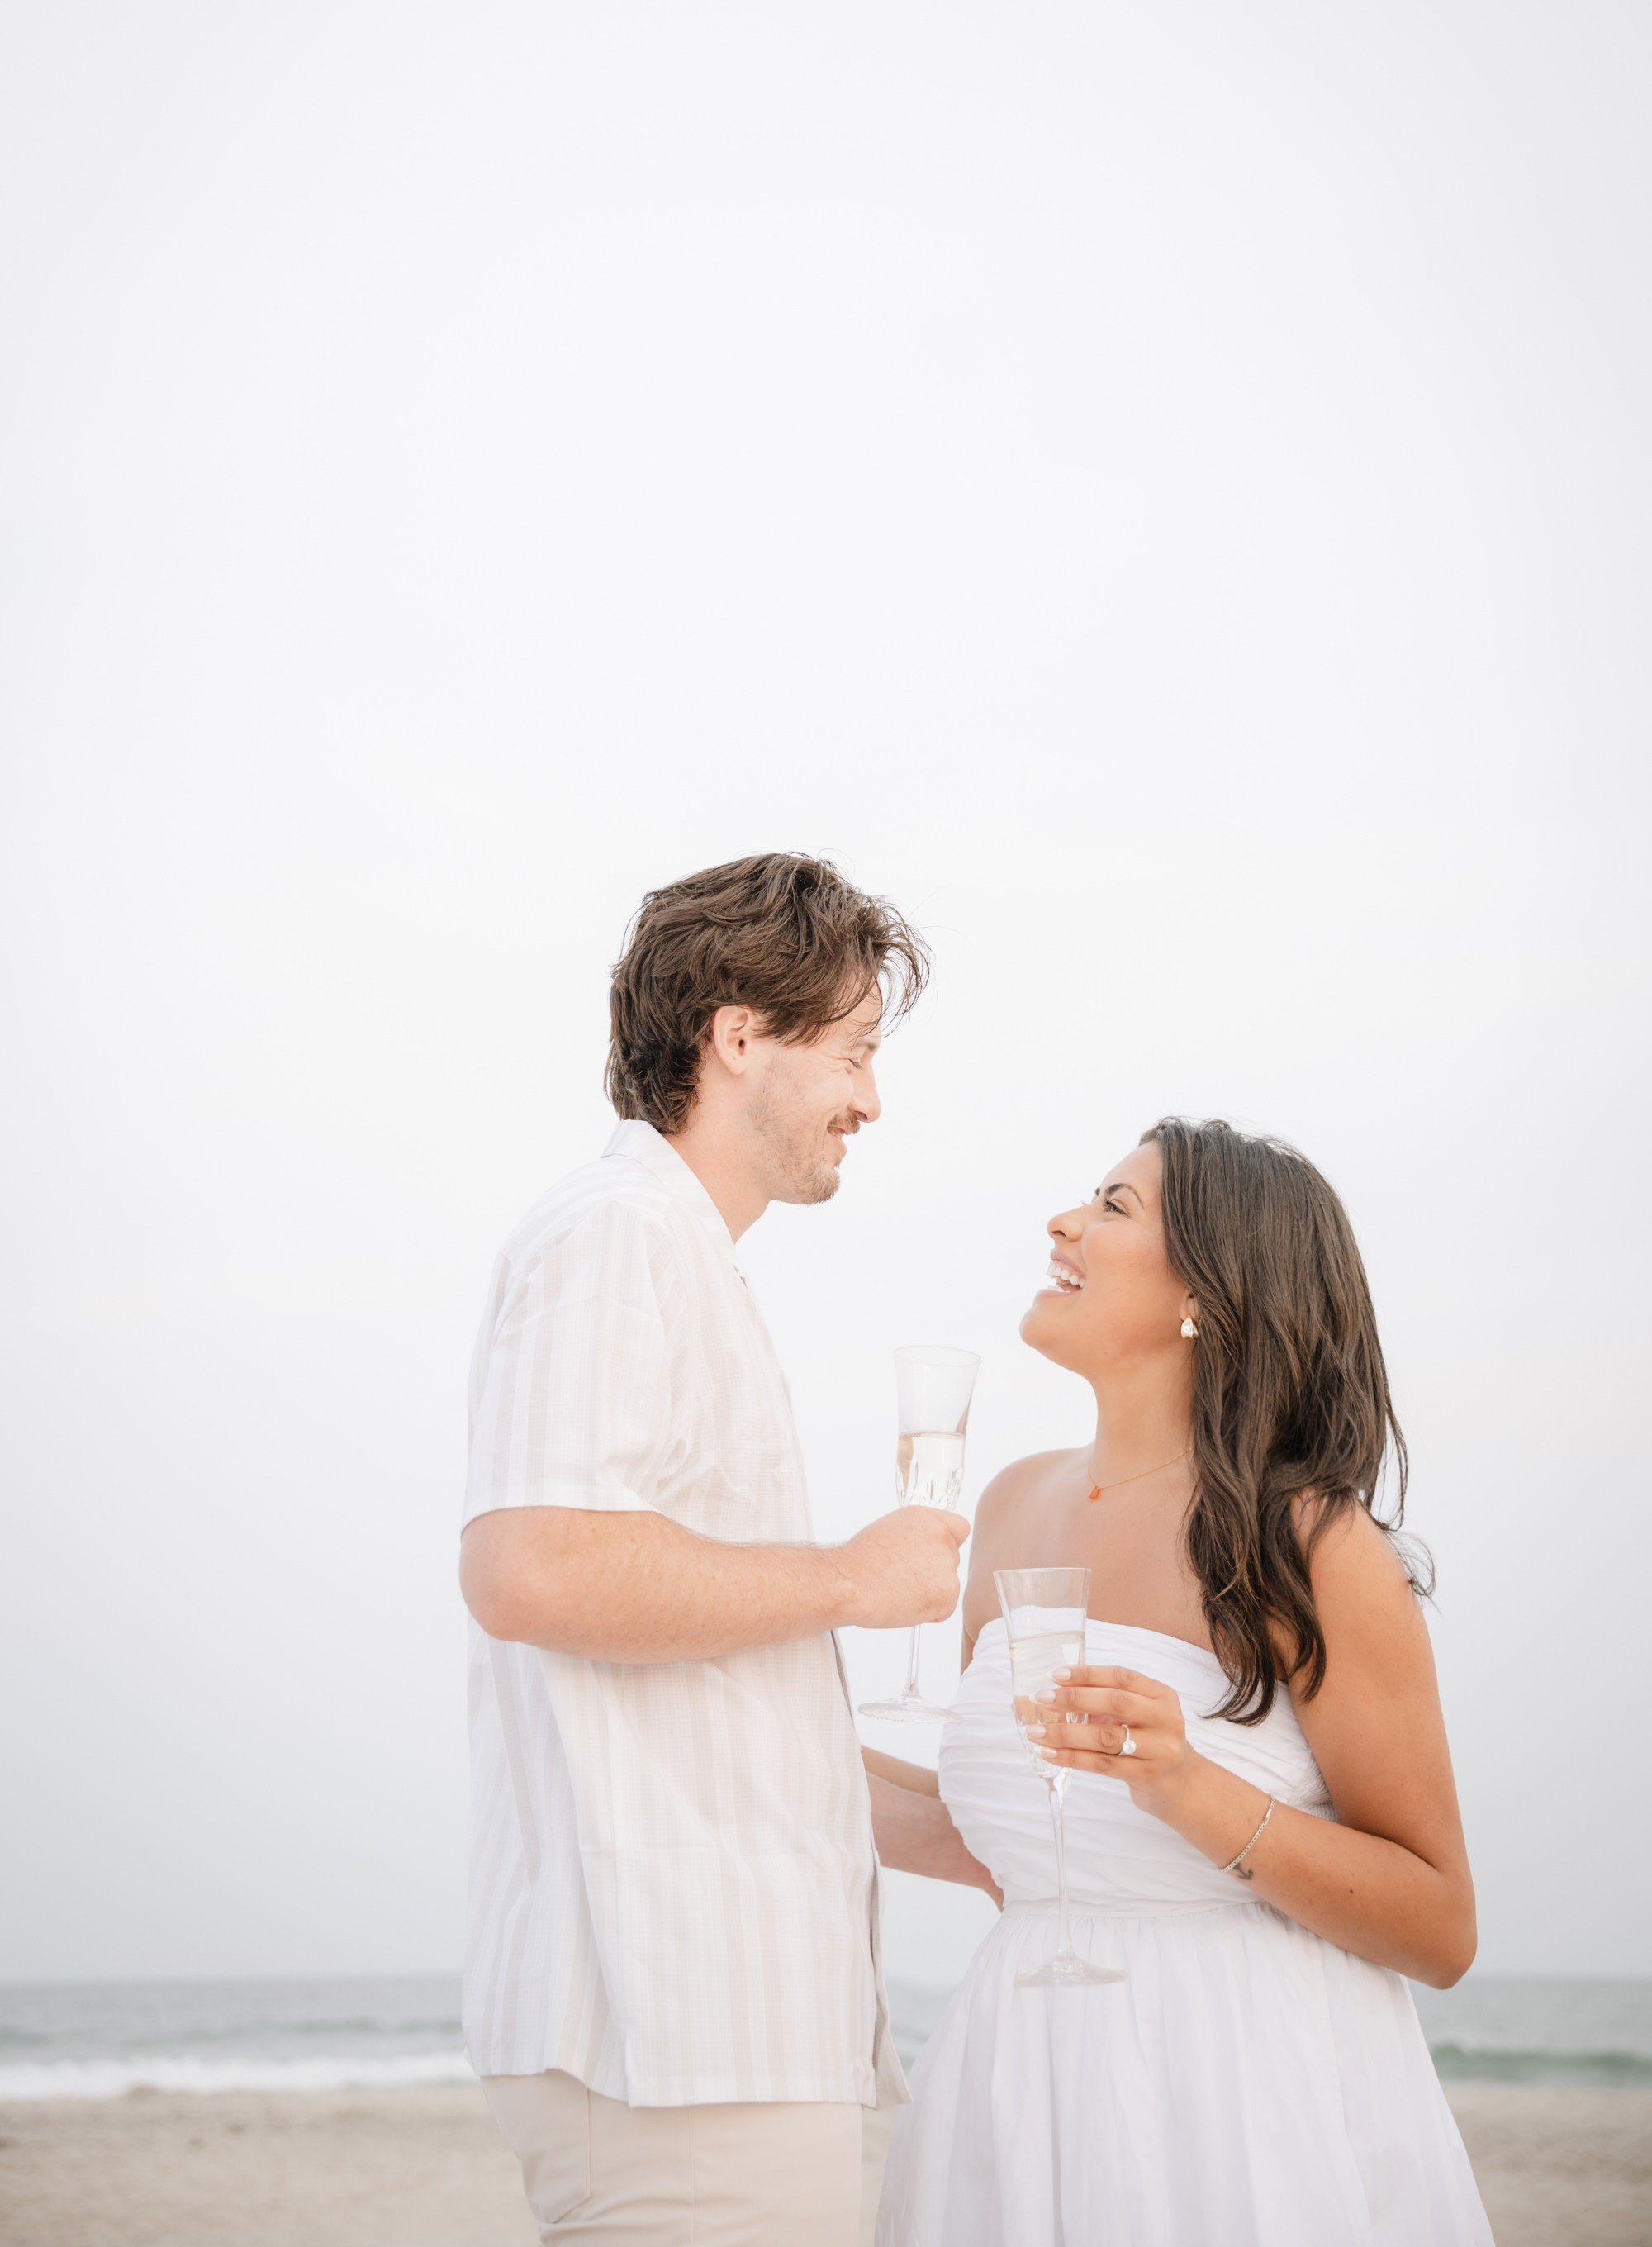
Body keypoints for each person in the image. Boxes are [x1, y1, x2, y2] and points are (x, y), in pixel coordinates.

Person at [459, 853, 971, 2247]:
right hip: (674, 2034)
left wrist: (987, 1838)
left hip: (710, 2033)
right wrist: (858, 1579)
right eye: (855, 1051)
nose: (873, 1098)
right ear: (739, 1035)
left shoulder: (670, 1254)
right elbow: (533, 1571)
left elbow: (724, 1706)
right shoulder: (620, 1236)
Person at [866, 1118, 1494, 2246]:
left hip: (1245, 2097)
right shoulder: (1009, 1505)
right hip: (1023, 2080)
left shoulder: (1311, 1545)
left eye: (1112, 1207)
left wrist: (1192, 1789)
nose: (1062, 1223)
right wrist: (772, 1730)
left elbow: (1440, 1928)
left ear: (1207, 1290)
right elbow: (1012, 1850)